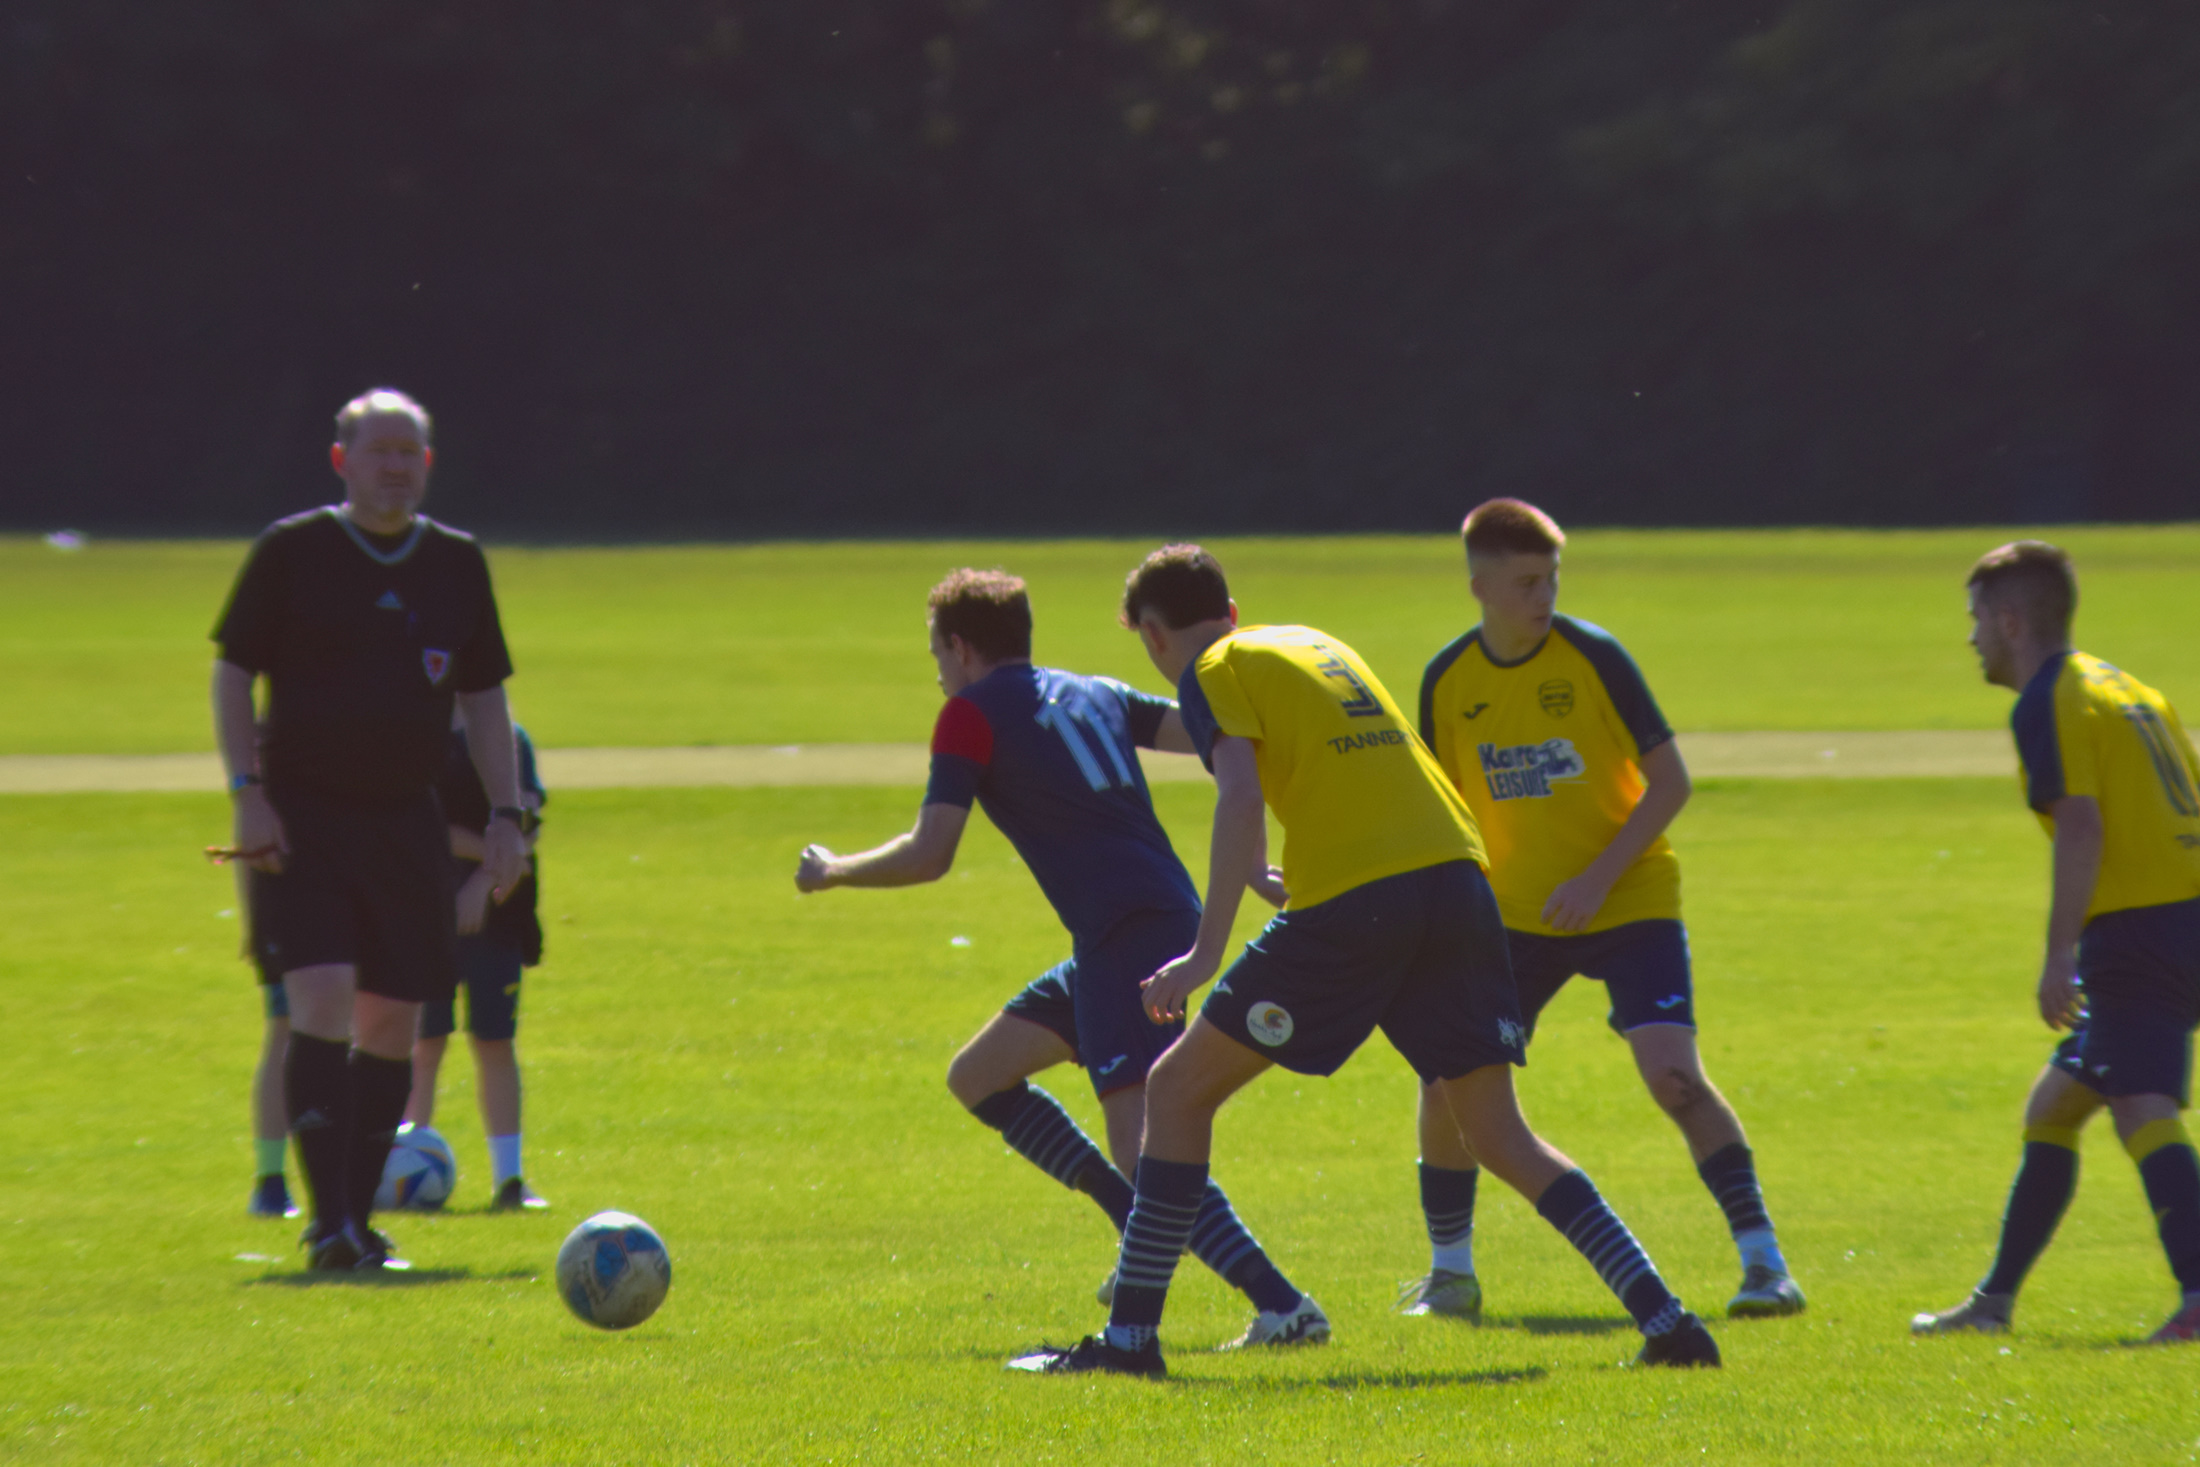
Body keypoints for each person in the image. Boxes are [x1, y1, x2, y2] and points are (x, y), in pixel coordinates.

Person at [1011, 545, 1718, 1377]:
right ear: (1233, 607)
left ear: (1155, 635)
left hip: (1364, 901)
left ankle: (1129, 1342)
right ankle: (1670, 1323)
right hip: (1457, 881)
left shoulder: (1209, 668)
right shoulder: (1313, 643)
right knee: (1499, 1131)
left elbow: (1238, 793)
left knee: (1175, 1088)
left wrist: (1203, 951)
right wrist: (1285, 881)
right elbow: (1366, 782)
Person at [795, 568, 1322, 1344]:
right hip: (1138, 925)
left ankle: (1281, 1305)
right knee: (978, 1076)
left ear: (962, 646)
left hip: (1127, 937)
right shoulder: (1096, 690)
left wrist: (835, 869)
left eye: (937, 650)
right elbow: (1215, 736)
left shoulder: (968, 714)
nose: (938, 668)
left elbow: (931, 851)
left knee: (1148, 1149)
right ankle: (1132, 1223)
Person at [1405, 499, 1802, 1321]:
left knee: (1675, 1079)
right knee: (1448, 1080)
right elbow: (1437, 805)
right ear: (1479, 584)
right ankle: (1450, 1274)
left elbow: (1671, 784)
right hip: (1514, 915)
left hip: (1630, 899)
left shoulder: (1593, 658)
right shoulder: (1449, 679)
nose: (1542, 596)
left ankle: (1766, 1264)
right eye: (1524, 582)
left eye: (1550, 579)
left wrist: (1596, 878)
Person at [212, 387, 528, 1272]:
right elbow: (232, 673)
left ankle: (357, 1219)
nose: (394, 465)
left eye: (408, 452)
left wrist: (507, 814)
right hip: (304, 818)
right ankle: (327, 1224)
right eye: (377, 450)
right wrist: (247, 791)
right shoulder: (293, 551)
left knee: (393, 1020)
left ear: (425, 465)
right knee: (318, 1000)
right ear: (341, 459)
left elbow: (485, 694)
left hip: (406, 823)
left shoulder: (457, 564)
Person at [1912, 540, 2200, 1344]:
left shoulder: (2048, 698)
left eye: (1976, 619)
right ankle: (1995, 1301)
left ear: (2010, 619)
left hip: (2139, 931)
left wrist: (2060, 953)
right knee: (2058, 1103)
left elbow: (2081, 823)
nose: (1971, 637)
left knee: (2142, 1105)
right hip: (2181, 917)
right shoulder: (2129, 687)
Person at [401, 704, 550, 1211]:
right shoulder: (417, 729)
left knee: (494, 1041)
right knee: (424, 1043)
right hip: (425, 911)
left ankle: (510, 1181)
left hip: (499, 916)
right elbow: (417, 825)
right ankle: (403, 1166)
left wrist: (484, 885)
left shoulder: (510, 738)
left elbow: (526, 829)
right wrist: (486, 861)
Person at [239, 862, 299, 1218]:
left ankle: (350, 1184)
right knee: (284, 1029)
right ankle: (271, 1180)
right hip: (288, 903)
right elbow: (250, 828)